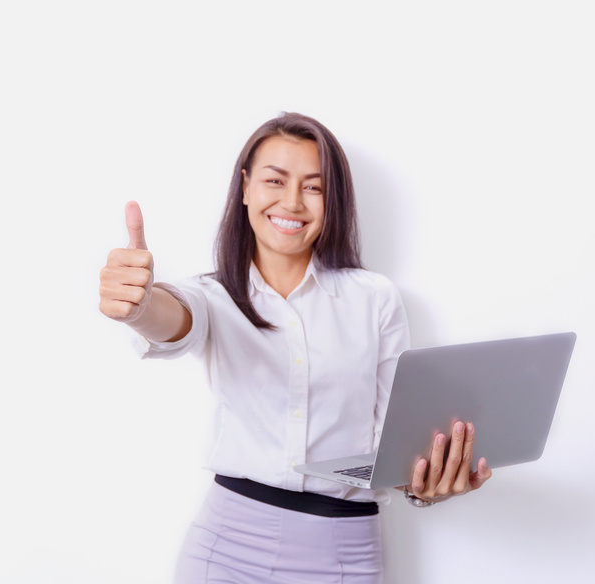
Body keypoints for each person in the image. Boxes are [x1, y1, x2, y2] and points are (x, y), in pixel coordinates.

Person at [98, 112, 492, 583]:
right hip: (225, 551)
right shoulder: (214, 296)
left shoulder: (374, 299)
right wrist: (139, 306)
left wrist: (427, 485)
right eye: (274, 180)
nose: (292, 201)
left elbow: (394, 449)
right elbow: (175, 316)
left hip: (344, 557)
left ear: (333, 201)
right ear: (245, 188)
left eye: (314, 187)